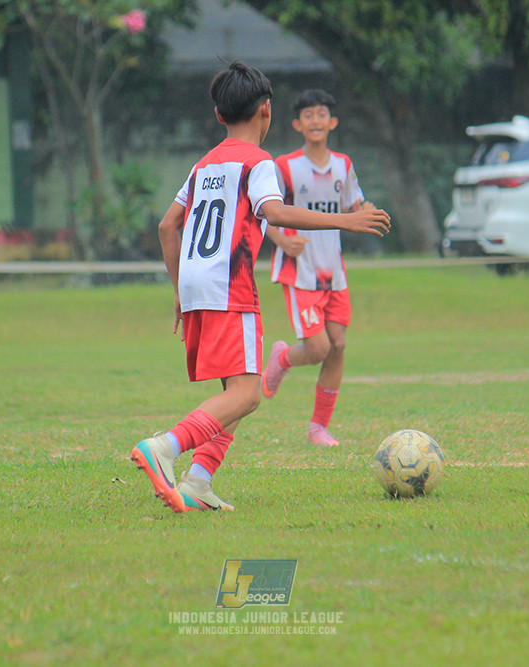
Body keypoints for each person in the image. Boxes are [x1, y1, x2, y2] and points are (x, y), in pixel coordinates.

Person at [131, 63, 390, 513]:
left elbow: (167, 224)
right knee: (248, 393)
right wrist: (346, 220)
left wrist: (179, 287)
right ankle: (167, 448)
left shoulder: (204, 163)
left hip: (196, 286)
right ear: (266, 110)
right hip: (230, 288)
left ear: (218, 115)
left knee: (237, 391)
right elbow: (275, 211)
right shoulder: (258, 161)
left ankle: (198, 481)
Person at [261, 89, 376, 448]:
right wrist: (282, 241)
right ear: (297, 124)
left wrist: (368, 212)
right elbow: (263, 212)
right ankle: (282, 357)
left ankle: (318, 428)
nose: (315, 120)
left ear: (332, 122)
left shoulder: (343, 165)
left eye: (321, 114)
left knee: (338, 345)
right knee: (317, 349)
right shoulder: (285, 167)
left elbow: (355, 206)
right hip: (301, 271)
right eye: (308, 115)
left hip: (333, 272)